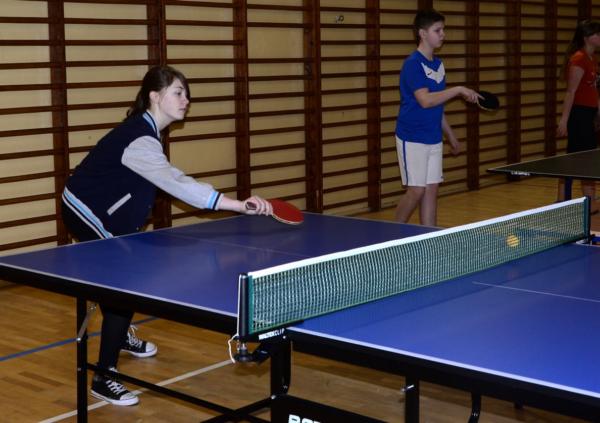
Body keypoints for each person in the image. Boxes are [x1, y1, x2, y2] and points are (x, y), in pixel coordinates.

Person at [61, 66, 272, 406]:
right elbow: (176, 183)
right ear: (155, 97)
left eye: (186, 93)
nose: (186, 100)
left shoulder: (148, 132)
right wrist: (236, 204)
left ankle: (119, 336)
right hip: (84, 207)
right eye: (178, 92)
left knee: (125, 279)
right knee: (124, 285)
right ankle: (104, 376)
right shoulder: (140, 139)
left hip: (109, 209)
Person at [394, 9, 480, 226]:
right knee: (416, 190)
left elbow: (437, 105)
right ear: (423, 33)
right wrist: (458, 89)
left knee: (431, 189)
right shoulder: (413, 64)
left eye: (443, 29)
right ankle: (392, 233)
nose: (443, 34)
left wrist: (450, 135)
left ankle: (429, 237)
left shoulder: (438, 65)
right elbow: (425, 100)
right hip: (412, 136)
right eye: (437, 30)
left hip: (433, 136)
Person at [557, 20, 600, 212]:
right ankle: (563, 200)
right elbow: (571, 92)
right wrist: (564, 121)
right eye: (597, 34)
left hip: (588, 114)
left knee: (585, 157)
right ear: (587, 37)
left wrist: (598, 112)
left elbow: (594, 89)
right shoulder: (579, 59)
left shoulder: (592, 58)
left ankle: (588, 200)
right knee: (578, 159)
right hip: (578, 115)